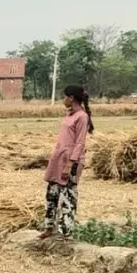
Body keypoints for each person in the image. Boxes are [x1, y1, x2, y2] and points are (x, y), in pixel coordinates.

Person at [40, 85, 94, 239]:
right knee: (52, 193)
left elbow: (80, 143)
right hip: (59, 158)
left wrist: (70, 164)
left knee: (67, 196)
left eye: (65, 97)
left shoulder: (82, 117)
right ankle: (49, 227)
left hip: (71, 160)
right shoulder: (69, 115)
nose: (63, 100)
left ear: (71, 98)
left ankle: (65, 232)